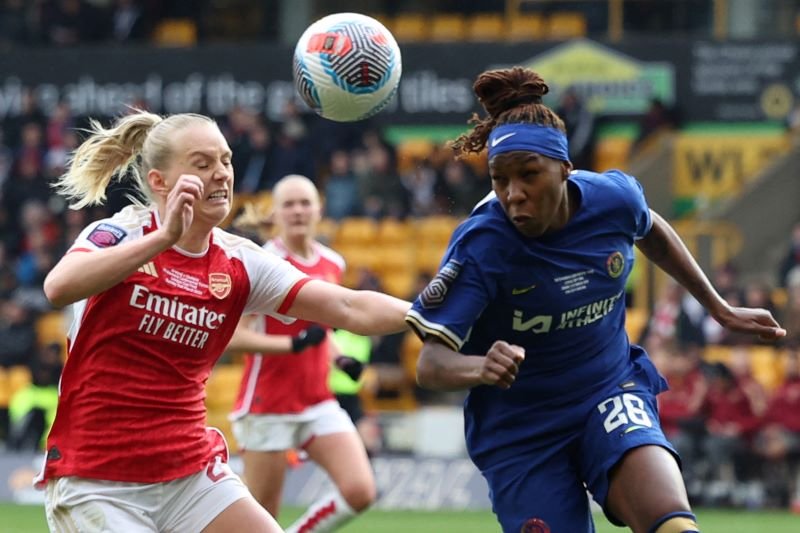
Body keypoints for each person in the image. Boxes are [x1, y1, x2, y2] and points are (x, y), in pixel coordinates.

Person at [405, 67, 786, 533]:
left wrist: (717, 306)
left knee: (672, 522)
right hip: (522, 431)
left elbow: (651, 228)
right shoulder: (482, 245)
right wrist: (480, 366)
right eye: (499, 179)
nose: (513, 194)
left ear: (566, 169)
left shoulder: (613, 199)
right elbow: (430, 364)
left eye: (529, 175)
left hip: (606, 391)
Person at [39, 111, 410, 533]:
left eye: (226, 161)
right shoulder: (121, 233)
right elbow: (59, 287)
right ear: (159, 182)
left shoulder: (241, 261)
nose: (221, 174)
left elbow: (347, 308)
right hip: (97, 480)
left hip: (190, 475)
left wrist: (430, 315)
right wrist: (163, 240)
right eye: (202, 164)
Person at [229, 174, 376, 533]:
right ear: (275, 213)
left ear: (319, 209)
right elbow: (233, 337)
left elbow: (320, 330)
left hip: (316, 400)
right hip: (268, 405)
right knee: (263, 520)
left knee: (360, 490)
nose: (298, 211)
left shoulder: (332, 263)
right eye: (289, 204)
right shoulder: (262, 263)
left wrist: (338, 357)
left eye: (305, 203)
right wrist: (292, 346)